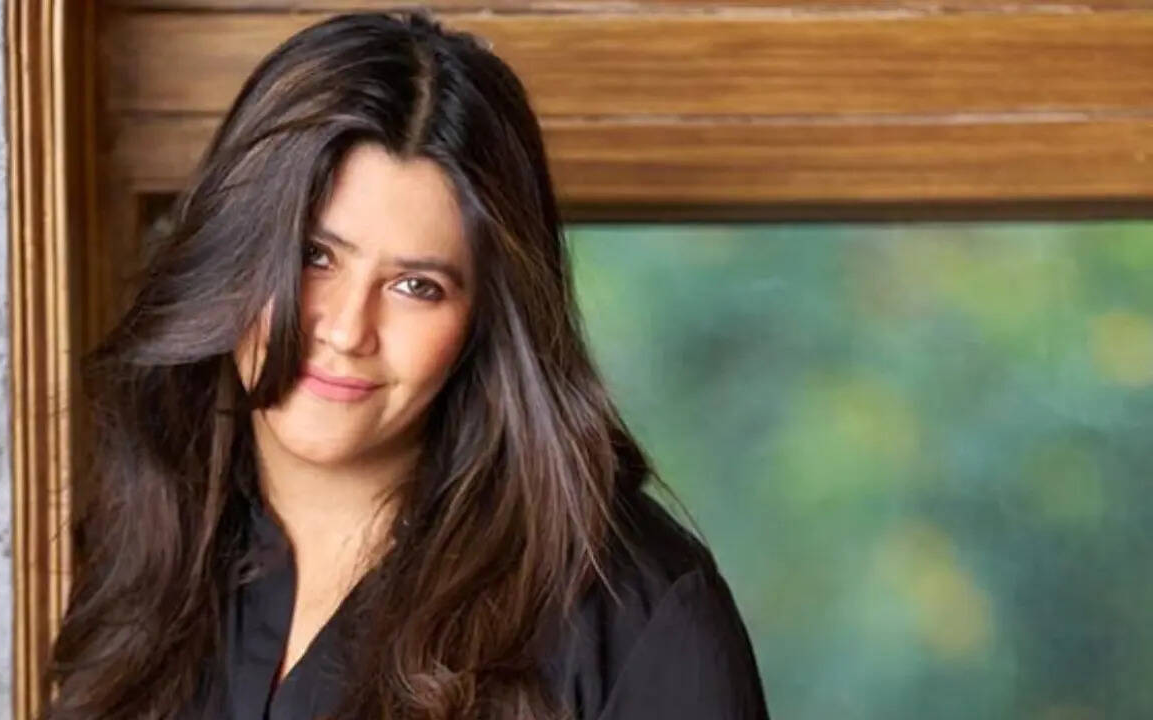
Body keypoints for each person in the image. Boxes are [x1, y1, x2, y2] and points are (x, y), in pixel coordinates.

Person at [44, 10, 769, 720]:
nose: (346, 329)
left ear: (485, 317)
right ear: (231, 251)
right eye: (313, 256)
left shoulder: (636, 616)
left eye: (416, 286)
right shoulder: (148, 542)